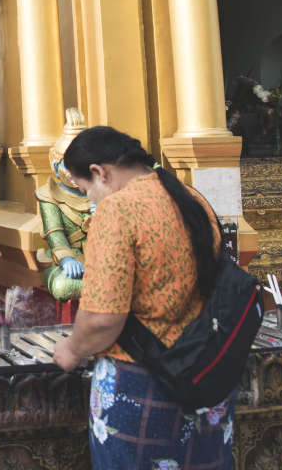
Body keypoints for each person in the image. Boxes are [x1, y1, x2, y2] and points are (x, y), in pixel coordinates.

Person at [51, 127, 230, 470]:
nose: (90, 200)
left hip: (143, 383)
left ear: (100, 173)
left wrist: (71, 350)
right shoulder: (192, 199)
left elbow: (104, 318)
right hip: (206, 373)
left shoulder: (117, 210)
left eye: (86, 190)